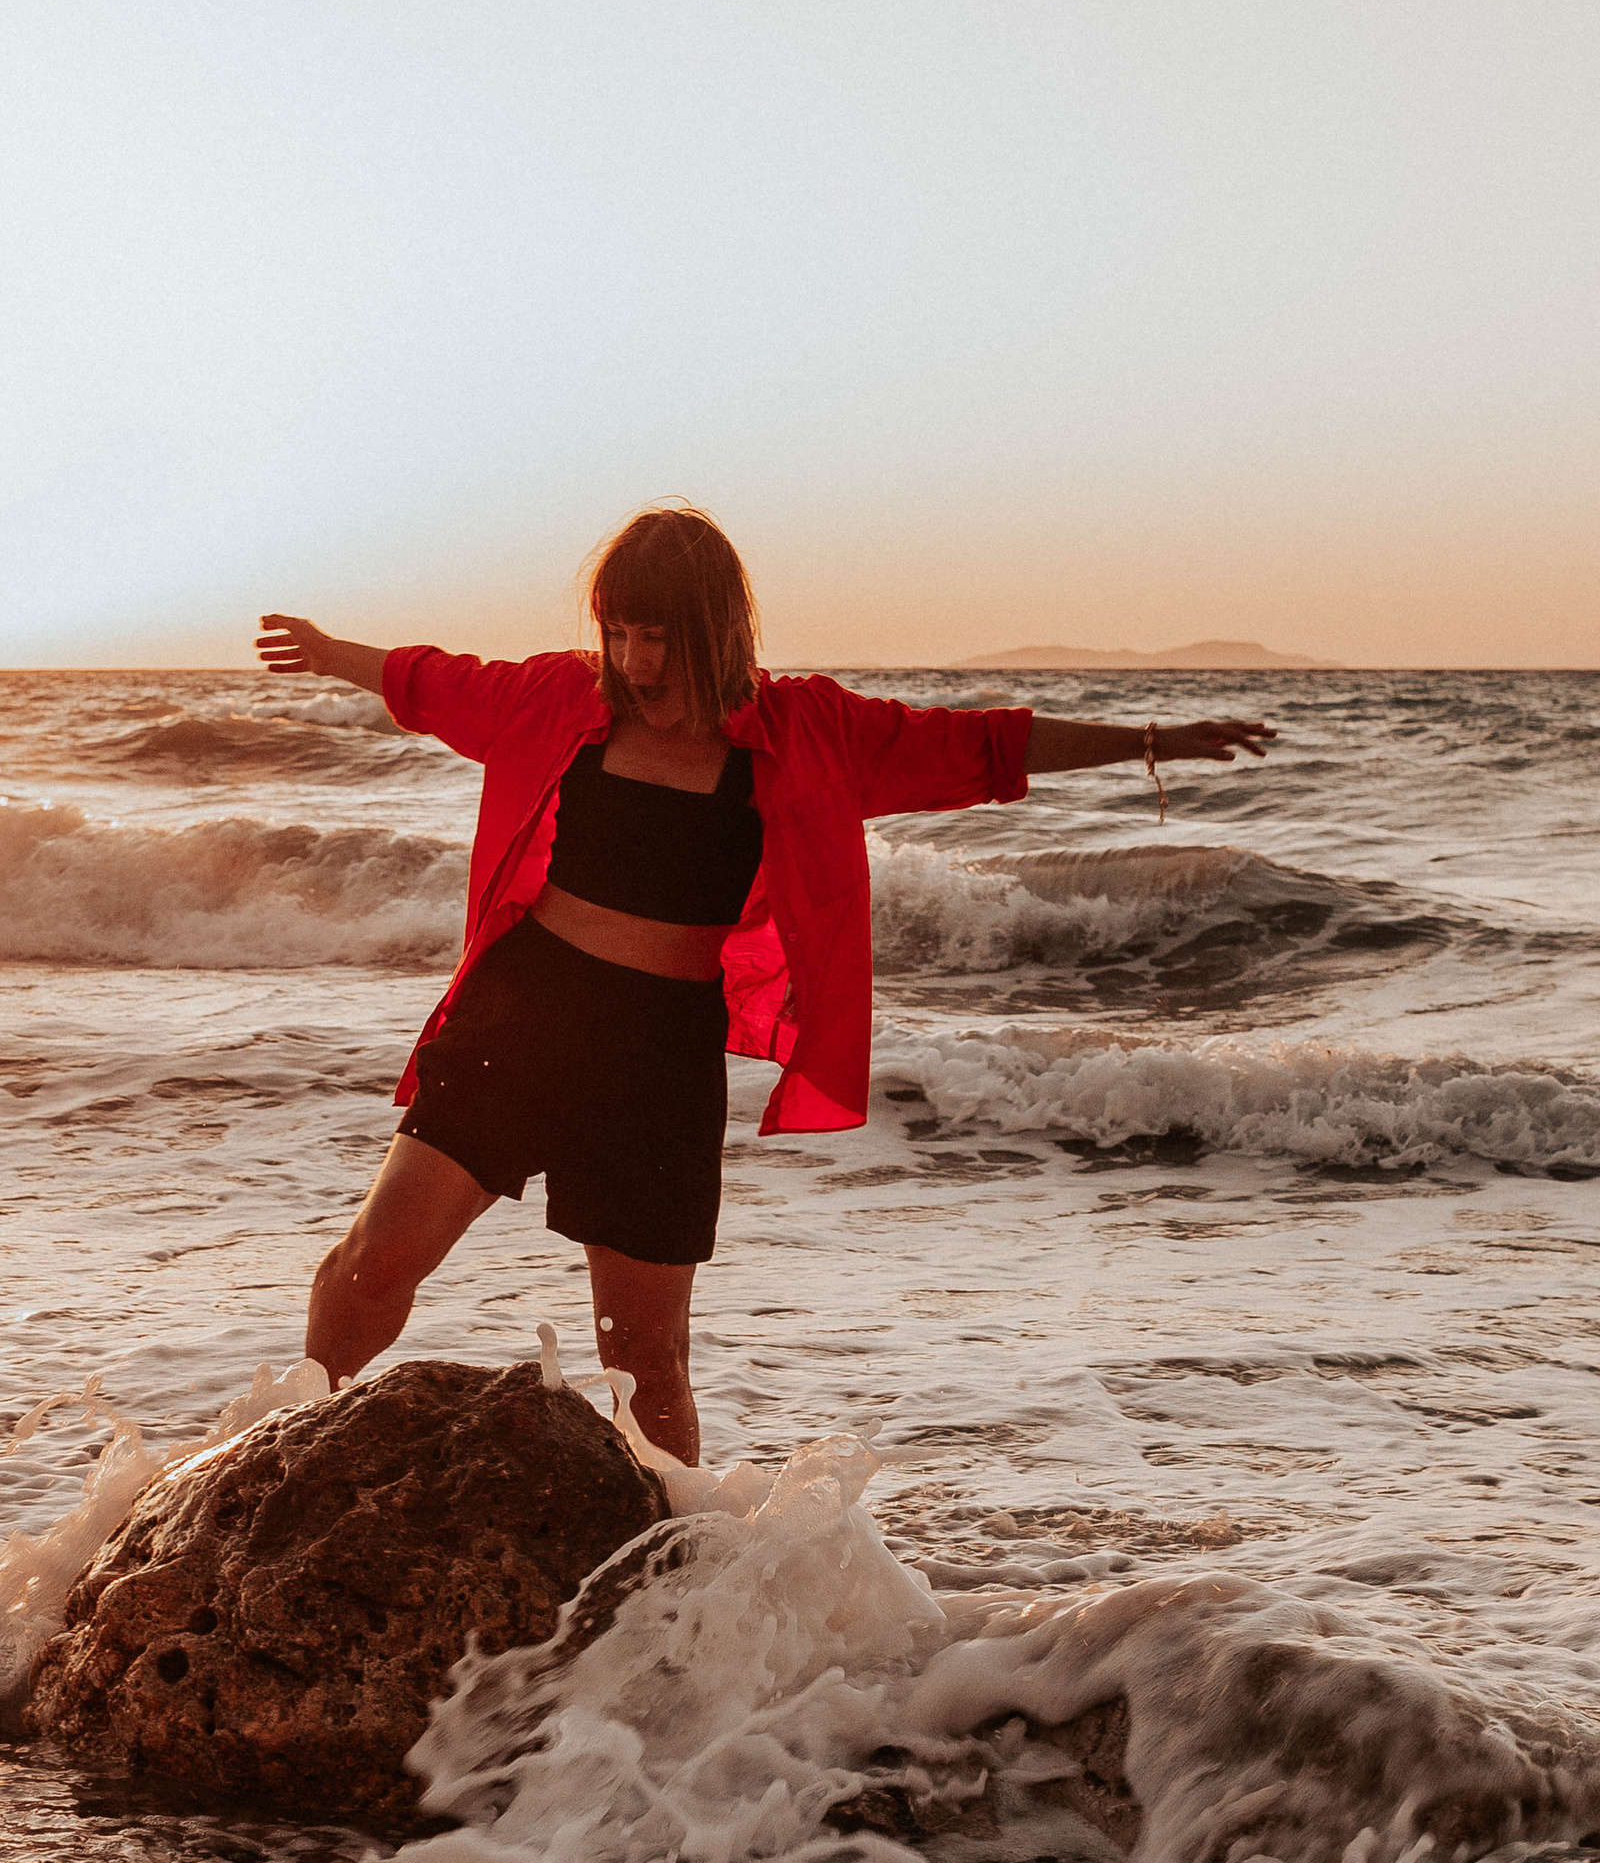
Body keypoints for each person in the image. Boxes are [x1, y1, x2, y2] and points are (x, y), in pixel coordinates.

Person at [258, 507, 1274, 1465]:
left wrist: (1146, 744)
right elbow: (433, 679)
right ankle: (276, 1454)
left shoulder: (807, 730)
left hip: (660, 1055)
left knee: (645, 1359)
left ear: (714, 629)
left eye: (656, 636)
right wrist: (326, 648)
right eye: (617, 633)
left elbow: (975, 747)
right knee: (376, 1260)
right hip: (522, 1017)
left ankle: (671, 1569)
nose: (634, 662)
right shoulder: (558, 699)